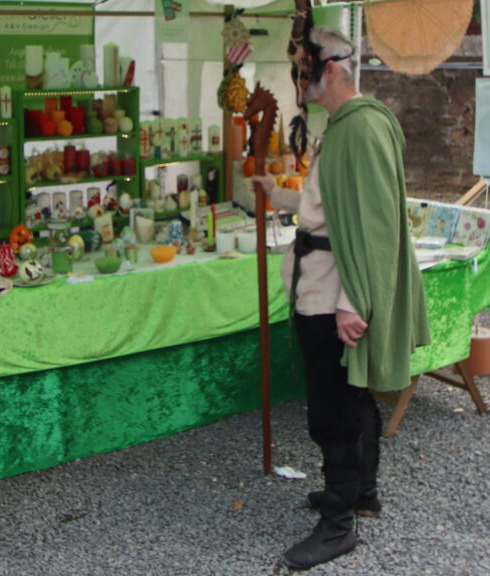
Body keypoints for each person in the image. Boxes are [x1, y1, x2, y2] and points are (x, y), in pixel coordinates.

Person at [252, 27, 430, 570]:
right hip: (325, 284)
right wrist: (274, 192)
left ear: (329, 69)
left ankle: (337, 526)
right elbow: (328, 205)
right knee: (350, 396)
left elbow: (376, 224)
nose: (297, 78)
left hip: (333, 294)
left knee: (332, 409)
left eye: (303, 67)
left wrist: (355, 300)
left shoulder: (360, 129)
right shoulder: (345, 128)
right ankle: (361, 494)